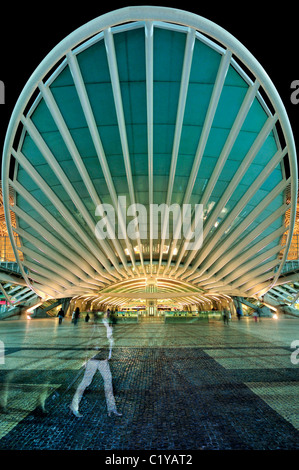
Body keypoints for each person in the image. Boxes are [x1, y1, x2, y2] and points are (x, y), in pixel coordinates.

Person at [70, 311, 121, 418]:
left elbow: (109, 341)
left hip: (103, 358)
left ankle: (112, 408)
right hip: (94, 358)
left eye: (109, 314)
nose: (108, 315)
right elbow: (90, 341)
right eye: (107, 314)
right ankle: (74, 406)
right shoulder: (98, 325)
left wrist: (109, 355)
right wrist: (85, 358)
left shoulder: (108, 325)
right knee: (86, 382)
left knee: (108, 380)